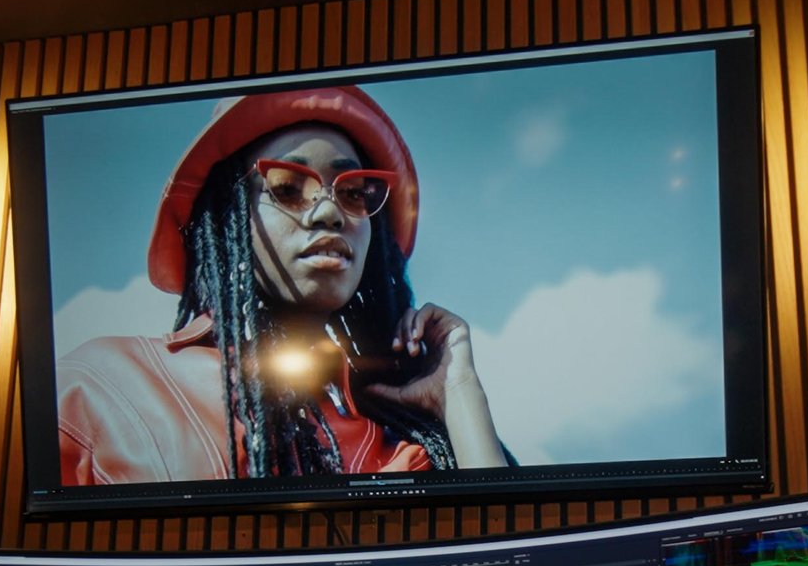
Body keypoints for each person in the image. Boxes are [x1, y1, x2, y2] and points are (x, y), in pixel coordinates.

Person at [57, 86, 507, 485]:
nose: (330, 212)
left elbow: (502, 560)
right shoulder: (103, 387)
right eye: (288, 187)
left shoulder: (404, 433)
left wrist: (459, 393)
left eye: (353, 193)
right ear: (228, 217)